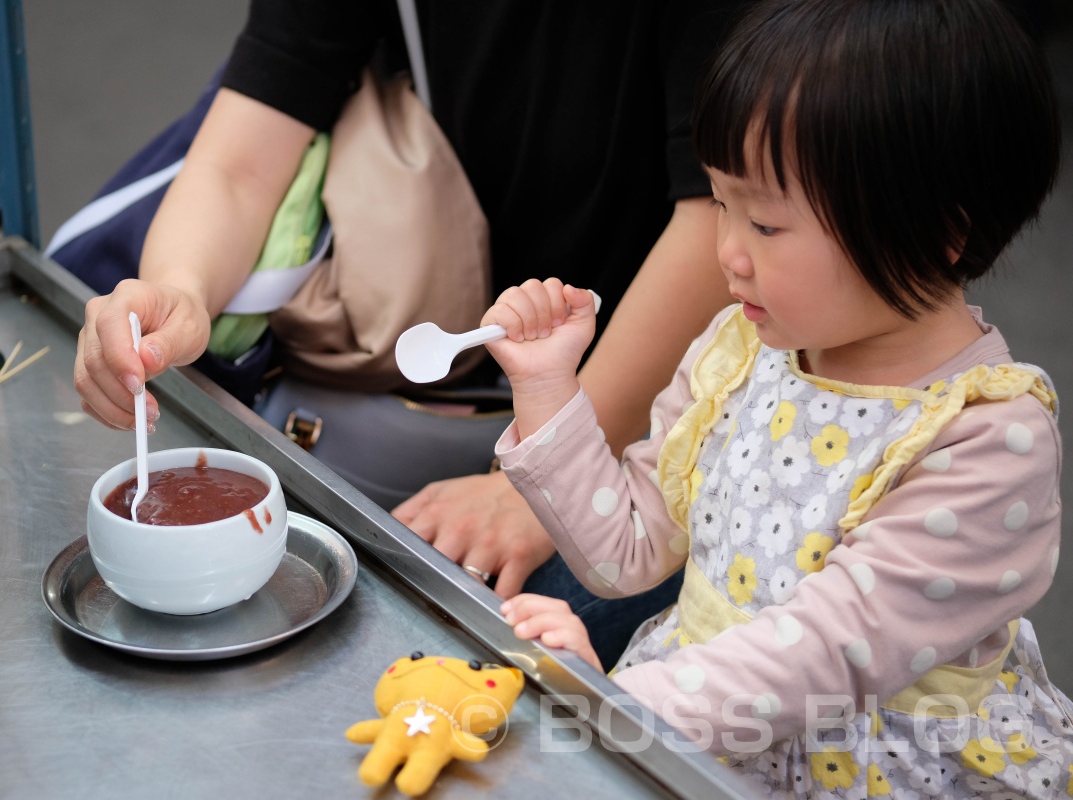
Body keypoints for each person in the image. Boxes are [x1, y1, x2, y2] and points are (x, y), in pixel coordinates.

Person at [483, 0, 1071, 796]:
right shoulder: (738, 354)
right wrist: (550, 389)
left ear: (938, 230)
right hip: (695, 729)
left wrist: (615, 703)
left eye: (765, 223)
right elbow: (626, 553)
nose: (727, 252)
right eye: (721, 204)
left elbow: (822, 652)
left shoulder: (985, 440)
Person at [69, 0, 750, 666]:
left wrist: (538, 484)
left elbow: (716, 223)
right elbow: (237, 164)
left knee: (483, 644)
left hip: (635, 416)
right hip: (430, 395)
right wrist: (179, 292)